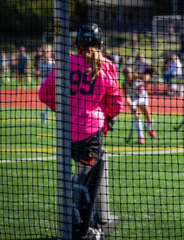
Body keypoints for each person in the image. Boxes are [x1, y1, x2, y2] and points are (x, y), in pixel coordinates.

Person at [39, 23, 123, 239]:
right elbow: (116, 104)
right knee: (82, 184)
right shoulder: (107, 66)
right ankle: (82, 231)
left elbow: (44, 93)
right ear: (100, 43)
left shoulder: (66, 62)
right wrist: (107, 115)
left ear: (78, 43)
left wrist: (64, 110)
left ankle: (102, 218)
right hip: (90, 133)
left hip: (66, 135)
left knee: (93, 167)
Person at [122, 67, 156, 144]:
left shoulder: (136, 77)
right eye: (126, 75)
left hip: (141, 95)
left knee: (148, 115)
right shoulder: (124, 84)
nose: (128, 76)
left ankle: (149, 127)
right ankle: (141, 137)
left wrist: (144, 82)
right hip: (132, 98)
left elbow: (146, 77)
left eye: (129, 74)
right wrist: (131, 105)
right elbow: (126, 96)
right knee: (137, 115)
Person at [39, 44, 54, 124]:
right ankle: (44, 113)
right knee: (48, 100)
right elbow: (41, 73)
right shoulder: (41, 62)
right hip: (45, 83)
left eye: (47, 52)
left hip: (52, 84)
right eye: (45, 52)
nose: (46, 54)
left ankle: (44, 113)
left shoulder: (52, 62)